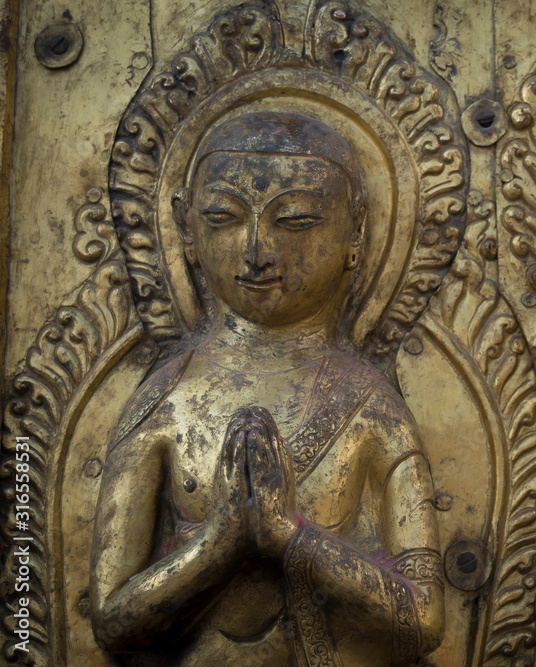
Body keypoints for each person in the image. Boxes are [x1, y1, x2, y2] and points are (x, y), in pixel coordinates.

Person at [89, 112, 444, 666]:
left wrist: (290, 538)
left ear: (355, 232)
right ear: (186, 228)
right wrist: (220, 544)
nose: (257, 249)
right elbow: (111, 617)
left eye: (297, 221)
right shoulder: (168, 399)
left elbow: (423, 618)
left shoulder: (371, 406)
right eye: (223, 217)